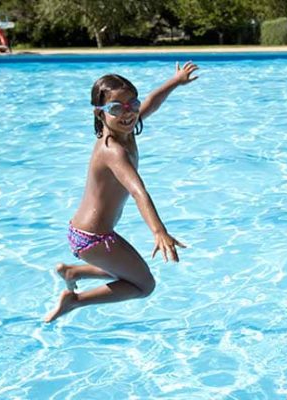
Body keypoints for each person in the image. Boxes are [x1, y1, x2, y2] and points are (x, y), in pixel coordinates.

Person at [44, 61, 199, 322]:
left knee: (133, 271)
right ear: (99, 112)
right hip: (93, 238)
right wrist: (159, 231)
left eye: (132, 105)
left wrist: (176, 81)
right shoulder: (112, 150)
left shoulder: (126, 130)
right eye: (117, 108)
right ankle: (75, 301)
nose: (128, 113)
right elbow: (138, 191)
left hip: (90, 233)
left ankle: (74, 272)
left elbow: (152, 101)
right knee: (144, 285)